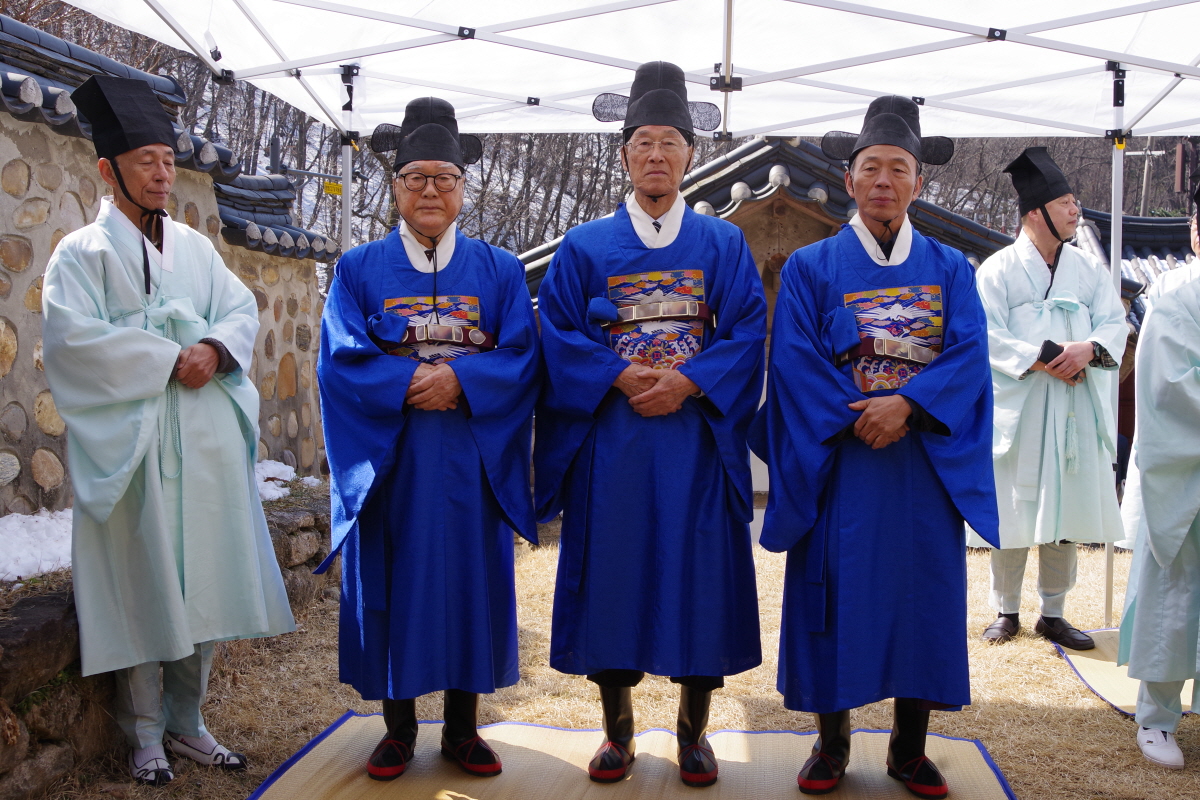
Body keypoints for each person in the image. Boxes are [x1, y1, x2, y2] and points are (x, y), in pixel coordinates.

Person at [41, 75, 295, 787]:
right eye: (145, 162)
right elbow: (73, 343)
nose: (161, 174)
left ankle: (189, 721)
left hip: (202, 441)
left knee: (201, 581)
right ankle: (145, 733)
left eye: (166, 160)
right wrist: (163, 357)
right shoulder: (81, 253)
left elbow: (239, 309)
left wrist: (213, 349)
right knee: (142, 580)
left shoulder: (195, 247)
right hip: (137, 443)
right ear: (108, 170)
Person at [750, 96, 998, 798]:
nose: (883, 180)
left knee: (921, 597)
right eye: (870, 168)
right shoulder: (812, 267)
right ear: (849, 179)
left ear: (919, 181)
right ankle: (830, 745)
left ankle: (909, 749)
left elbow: (969, 356)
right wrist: (865, 415)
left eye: (898, 168)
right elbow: (793, 363)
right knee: (835, 593)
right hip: (841, 459)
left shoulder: (951, 269)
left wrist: (909, 406)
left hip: (920, 463)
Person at [535, 61, 765, 788]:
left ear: (690, 155)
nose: (657, 155)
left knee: (699, 578)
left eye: (670, 142)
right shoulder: (584, 247)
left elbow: (747, 329)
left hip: (695, 443)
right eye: (644, 143)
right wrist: (617, 372)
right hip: (615, 442)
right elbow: (556, 333)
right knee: (614, 575)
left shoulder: (722, 245)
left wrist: (690, 379)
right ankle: (618, 733)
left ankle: (694, 733)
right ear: (625, 154)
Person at [317, 97, 540, 781]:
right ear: (396, 188)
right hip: (395, 459)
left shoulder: (500, 270)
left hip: (471, 459)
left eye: (445, 178)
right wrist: (410, 381)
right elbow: (340, 358)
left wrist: (461, 381)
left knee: (471, 584)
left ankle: (464, 730)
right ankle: (398, 729)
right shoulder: (358, 269)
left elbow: (523, 354)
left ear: (464, 188)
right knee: (395, 586)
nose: (431, 191)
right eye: (417, 178)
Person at [972, 147, 1127, 650]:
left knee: (1067, 511)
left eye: (1074, 201)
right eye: (1065, 202)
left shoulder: (1086, 268)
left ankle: (1053, 612)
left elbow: (1114, 321)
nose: (1075, 209)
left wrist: (1088, 349)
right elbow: (983, 332)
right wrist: (1040, 357)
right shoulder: (997, 270)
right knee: (1015, 506)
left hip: (1073, 409)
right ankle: (1006, 608)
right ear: (1035, 213)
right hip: (1022, 408)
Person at [1115, 277, 1200, 770]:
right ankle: (1156, 716)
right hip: (1186, 474)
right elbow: (1168, 390)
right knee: (1176, 595)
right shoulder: (1177, 308)